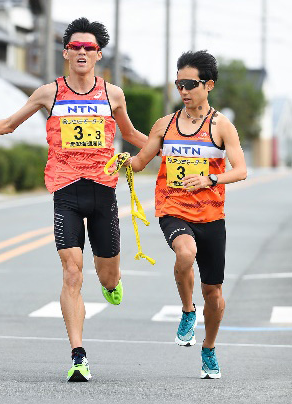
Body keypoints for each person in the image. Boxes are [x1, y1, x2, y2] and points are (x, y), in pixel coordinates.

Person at [0, 17, 148, 382]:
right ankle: (78, 355)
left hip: (103, 190)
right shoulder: (49, 93)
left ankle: (111, 284)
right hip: (66, 191)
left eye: (89, 48)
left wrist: (171, 149)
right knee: (72, 272)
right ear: (66, 52)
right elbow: (10, 124)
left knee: (107, 276)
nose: (82, 52)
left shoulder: (113, 94)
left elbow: (133, 134)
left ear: (99, 55)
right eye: (76, 47)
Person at [125, 50, 247, 379]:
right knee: (185, 251)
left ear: (208, 85)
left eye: (189, 83)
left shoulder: (222, 126)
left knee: (216, 296)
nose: (183, 89)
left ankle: (208, 348)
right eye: (178, 83)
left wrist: (211, 178)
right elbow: (139, 162)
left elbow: (241, 170)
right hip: (172, 207)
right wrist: (123, 158)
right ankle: (187, 310)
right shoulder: (164, 125)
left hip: (211, 216)